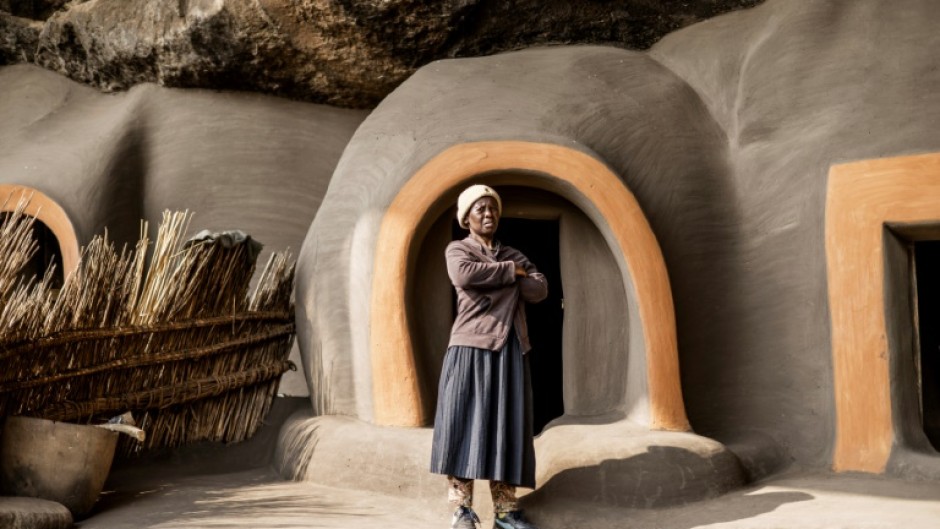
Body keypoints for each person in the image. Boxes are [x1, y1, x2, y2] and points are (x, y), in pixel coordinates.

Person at [429, 184, 548, 529]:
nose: (487, 214)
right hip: (470, 347)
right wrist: (512, 273)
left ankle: (506, 511)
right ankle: (462, 510)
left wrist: (505, 274)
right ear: (466, 218)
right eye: (479, 209)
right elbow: (464, 275)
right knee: (463, 423)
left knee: (506, 425)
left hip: (510, 347)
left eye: (492, 209)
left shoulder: (511, 251)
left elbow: (539, 289)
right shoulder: (458, 250)